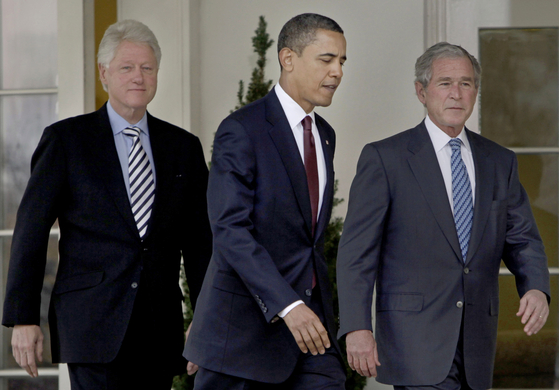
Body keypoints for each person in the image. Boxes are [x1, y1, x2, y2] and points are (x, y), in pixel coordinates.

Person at [2, 19, 212, 390]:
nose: (138, 77)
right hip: (90, 325)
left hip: (159, 327)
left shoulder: (183, 148)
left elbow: (200, 243)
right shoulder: (66, 141)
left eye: (147, 68)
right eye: (127, 67)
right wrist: (23, 318)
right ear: (104, 73)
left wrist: (206, 316)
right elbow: (31, 231)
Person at [336, 41, 550, 390]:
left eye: (466, 83)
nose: (456, 94)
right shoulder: (385, 159)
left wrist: (537, 287)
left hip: (478, 343)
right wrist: (358, 327)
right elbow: (356, 254)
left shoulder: (499, 161)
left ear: (476, 92)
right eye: (445, 83)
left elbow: (523, 238)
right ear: (421, 91)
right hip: (414, 343)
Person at [183, 13, 347, 390]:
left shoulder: (324, 135)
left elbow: (309, 239)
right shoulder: (241, 130)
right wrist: (288, 305)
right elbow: (229, 231)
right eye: (326, 59)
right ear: (288, 59)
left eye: (341, 61)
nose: (337, 72)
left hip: (313, 339)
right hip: (241, 342)